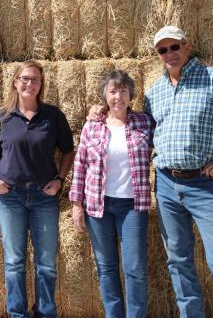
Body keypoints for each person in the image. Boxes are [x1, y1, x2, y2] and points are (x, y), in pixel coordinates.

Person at [144, 25, 213, 317]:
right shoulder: (155, 92)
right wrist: (99, 113)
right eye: (162, 50)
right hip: (165, 184)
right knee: (178, 260)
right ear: (158, 55)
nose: (169, 54)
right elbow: (138, 129)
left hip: (204, 185)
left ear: (186, 46)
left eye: (174, 47)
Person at [0, 59, 75, 318]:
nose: (29, 84)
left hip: (44, 197)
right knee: (14, 262)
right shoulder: (1, 117)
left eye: (35, 79)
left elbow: (68, 151)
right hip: (10, 198)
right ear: (15, 82)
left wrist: (59, 179)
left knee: (46, 263)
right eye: (25, 78)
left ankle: (45, 313)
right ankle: (18, 314)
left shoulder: (52, 116)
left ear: (41, 84)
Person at [70, 70, 154, 318]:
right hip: (98, 206)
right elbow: (80, 165)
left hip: (133, 205)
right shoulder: (92, 126)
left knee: (135, 268)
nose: (118, 96)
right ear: (105, 95)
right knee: (106, 267)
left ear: (131, 95)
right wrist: (76, 204)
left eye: (123, 91)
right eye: (113, 91)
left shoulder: (144, 122)